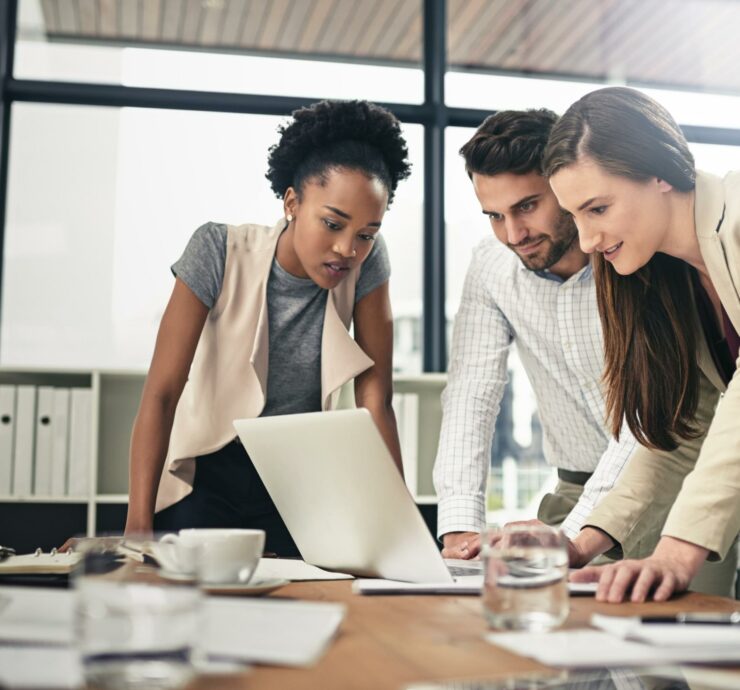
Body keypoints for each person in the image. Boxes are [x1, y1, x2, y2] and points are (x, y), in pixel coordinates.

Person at [124, 100, 411, 556]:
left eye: (366, 232)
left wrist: (403, 526)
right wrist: (136, 532)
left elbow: (375, 398)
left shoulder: (369, 263)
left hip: (294, 482)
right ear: (293, 202)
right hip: (205, 475)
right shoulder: (217, 248)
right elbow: (161, 393)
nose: (347, 249)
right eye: (333, 223)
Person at [544, 86, 740, 602]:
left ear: (659, 174)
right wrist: (581, 543)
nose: (586, 240)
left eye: (598, 208)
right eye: (576, 217)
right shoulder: (671, 280)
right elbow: (682, 435)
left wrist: (677, 551)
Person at [434, 109, 643, 561]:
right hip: (575, 486)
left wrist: (574, 537)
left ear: (565, 187)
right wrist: (459, 527)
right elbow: (472, 394)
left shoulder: (632, 256)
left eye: (527, 206)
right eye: (494, 215)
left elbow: (646, 421)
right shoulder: (492, 267)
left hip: (672, 488)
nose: (514, 234)